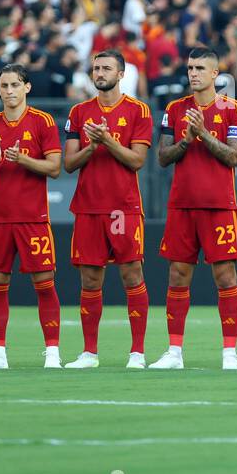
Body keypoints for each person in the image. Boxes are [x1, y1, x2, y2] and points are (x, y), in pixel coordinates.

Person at [152, 46, 237, 370]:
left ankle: (229, 352)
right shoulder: (175, 109)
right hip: (182, 204)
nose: (192, 73)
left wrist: (202, 134)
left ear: (214, 75)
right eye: (190, 67)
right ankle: (174, 352)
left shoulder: (233, 109)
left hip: (219, 205)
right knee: (177, 275)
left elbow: (233, 156)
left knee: (225, 275)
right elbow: (163, 157)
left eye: (199, 68)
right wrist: (185, 140)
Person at [61, 49, 154, 369]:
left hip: (123, 208)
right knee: (89, 280)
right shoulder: (78, 112)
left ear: (121, 74)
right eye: (95, 68)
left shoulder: (139, 111)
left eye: (106, 68)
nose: (99, 73)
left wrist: (108, 141)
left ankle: (138, 353)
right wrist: (92, 146)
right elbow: (69, 163)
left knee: (131, 274)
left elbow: (137, 161)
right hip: (88, 208)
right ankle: (89, 353)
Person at [0, 64, 64, 369]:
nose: (8, 91)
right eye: (3, 86)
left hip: (32, 217)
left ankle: (52, 352)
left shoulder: (43, 122)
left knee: (44, 281)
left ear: (27, 88)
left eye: (14, 85)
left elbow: (54, 167)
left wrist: (22, 159)